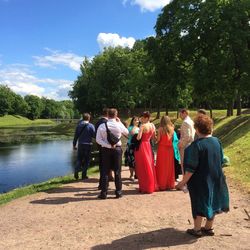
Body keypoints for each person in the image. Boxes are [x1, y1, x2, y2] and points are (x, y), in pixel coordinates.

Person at [176, 115, 229, 237]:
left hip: (200, 180)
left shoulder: (195, 146)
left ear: (197, 129)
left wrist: (182, 182)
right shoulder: (217, 141)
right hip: (216, 177)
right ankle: (209, 227)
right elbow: (221, 160)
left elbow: (190, 169)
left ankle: (197, 229)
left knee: (198, 201)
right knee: (213, 199)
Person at [96, 108, 129, 199]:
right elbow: (127, 132)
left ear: (107, 115)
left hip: (105, 150)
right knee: (117, 172)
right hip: (117, 149)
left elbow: (98, 140)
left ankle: (104, 193)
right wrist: (120, 122)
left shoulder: (102, 126)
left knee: (105, 171)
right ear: (116, 115)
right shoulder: (118, 125)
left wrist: (107, 145)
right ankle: (118, 192)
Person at [134, 111, 157, 194]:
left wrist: (137, 130)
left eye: (143, 118)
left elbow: (138, 138)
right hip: (148, 146)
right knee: (149, 165)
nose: (141, 119)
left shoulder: (143, 126)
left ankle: (144, 187)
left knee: (142, 167)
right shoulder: (152, 125)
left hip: (142, 146)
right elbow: (154, 138)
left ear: (147, 118)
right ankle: (150, 186)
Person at [155, 116, 177, 190]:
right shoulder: (172, 128)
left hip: (162, 149)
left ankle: (162, 184)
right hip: (170, 149)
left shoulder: (160, 129)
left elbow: (158, 140)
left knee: (161, 166)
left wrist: (155, 138)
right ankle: (169, 184)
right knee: (169, 166)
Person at [73, 113, 95, 180]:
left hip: (80, 144)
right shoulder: (91, 126)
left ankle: (76, 171)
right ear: (89, 118)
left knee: (79, 159)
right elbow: (94, 135)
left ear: (83, 118)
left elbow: (76, 136)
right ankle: (84, 175)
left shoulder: (79, 125)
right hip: (88, 145)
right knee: (87, 160)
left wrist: (74, 145)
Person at [95, 108, 114, 189]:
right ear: (107, 114)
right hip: (108, 146)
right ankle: (104, 183)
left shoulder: (97, 123)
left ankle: (104, 182)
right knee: (107, 165)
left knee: (102, 165)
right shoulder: (107, 122)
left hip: (100, 145)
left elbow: (96, 136)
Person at [178, 109, 195, 175]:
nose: (180, 116)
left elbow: (187, 136)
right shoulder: (191, 121)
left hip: (185, 146)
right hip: (190, 144)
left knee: (184, 163)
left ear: (184, 113)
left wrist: (180, 144)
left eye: (180, 114)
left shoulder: (185, 122)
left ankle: (185, 181)